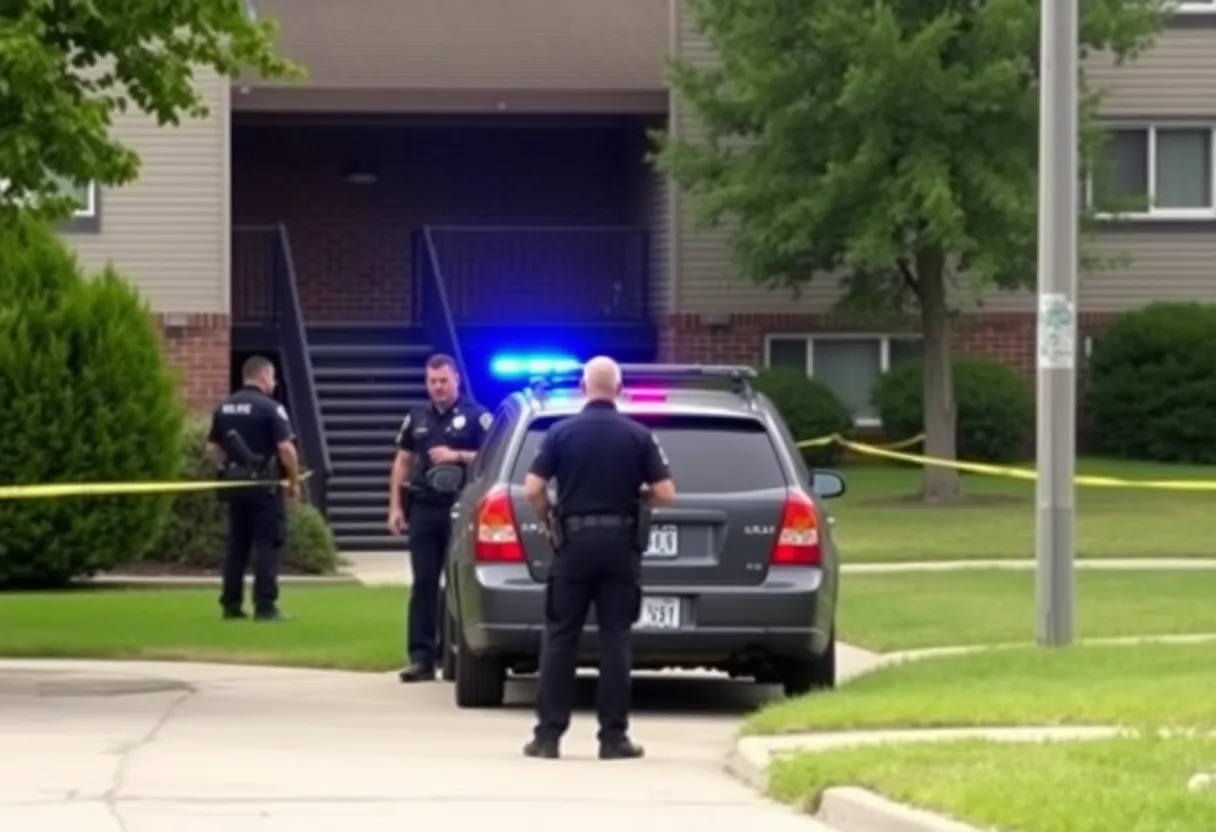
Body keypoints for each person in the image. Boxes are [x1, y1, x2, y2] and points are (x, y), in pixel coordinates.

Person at [521, 356, 677, 761]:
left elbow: (533, 488)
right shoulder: (639, 435)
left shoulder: (560, 433)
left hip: (573, 546)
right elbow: (665, 493)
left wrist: (548, 522)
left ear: (583, 388)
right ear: (619, 390)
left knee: (560, 639)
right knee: (615, 640)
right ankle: (613, 738)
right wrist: (637, 497)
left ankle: (548, 736)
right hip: (620, 547)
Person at [387, 354, 492, 683]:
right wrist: (395, 506)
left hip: (461, 508)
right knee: (424, 583)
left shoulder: (479, 417)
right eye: (432, 382)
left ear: (456, 379)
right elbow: (402, 462)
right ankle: (421, 657)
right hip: (424, 508)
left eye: (443, 381)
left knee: (460, 584)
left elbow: (491, 458)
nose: (438, 387)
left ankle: (457, 655)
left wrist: (456, 455)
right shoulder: (416, 417)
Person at [205, 355, 302, 622]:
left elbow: (211, 448)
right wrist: (293, 481)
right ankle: (265, 606)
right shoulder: (271, 408)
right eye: (272, 377)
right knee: (267, 544)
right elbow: (286, 448)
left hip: (236, 486)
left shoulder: (224, 407)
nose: (274, 382)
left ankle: (231, 604)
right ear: (263, 376)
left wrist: (228, 469)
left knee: (237, 545)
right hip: (265, 487)